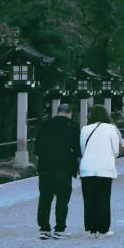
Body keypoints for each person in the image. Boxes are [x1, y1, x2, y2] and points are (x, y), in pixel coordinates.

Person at [35, 102, 82, 239]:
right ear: (69, 113)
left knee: (44, 199)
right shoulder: (73, 126)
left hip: (45, 168)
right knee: (62, 199)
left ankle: (44, 229)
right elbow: (77, 151)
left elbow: (37, 150)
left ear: (58, 112)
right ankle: (59, 229)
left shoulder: (45, 125)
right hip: (64, 169)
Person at [79, 104, 123, 237]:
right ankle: (103, 228)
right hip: (105, 168)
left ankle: (91, 228)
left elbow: (82, 149)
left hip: (87, 168)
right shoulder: (111, 129)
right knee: (103, 198)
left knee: (89, 199)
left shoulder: (85, 129)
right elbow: (116, 151)